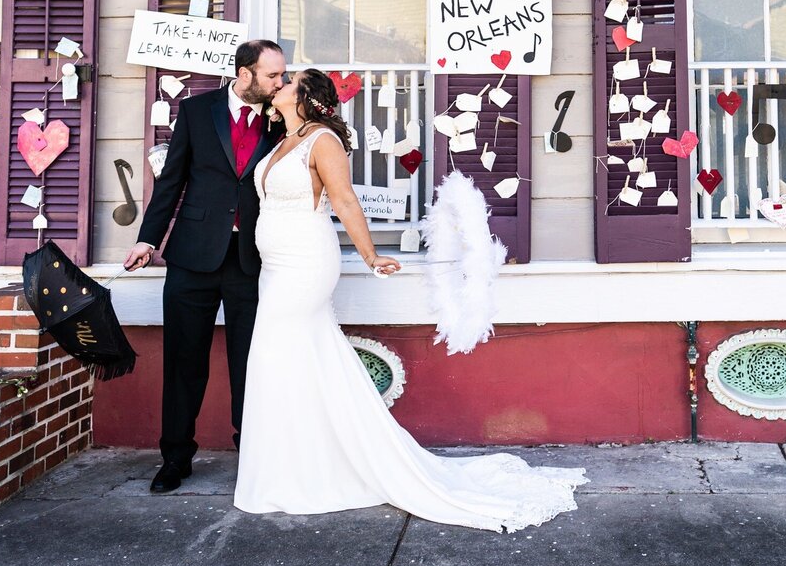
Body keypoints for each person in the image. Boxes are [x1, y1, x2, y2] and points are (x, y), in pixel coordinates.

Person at [234, 68, 587, 531]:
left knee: (275, 354)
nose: (277, 84)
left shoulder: (322, 141)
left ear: (305, 96)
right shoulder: (281, 138)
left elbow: (344, 200)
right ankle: (301, 465)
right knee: (297, 360)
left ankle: (307, 470)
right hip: (275, 267)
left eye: (288, 81)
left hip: (305, 265)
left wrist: (371, 254)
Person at [125, 39, 287, 494]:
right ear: (245, 73)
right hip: (191, 258)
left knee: (249, 363)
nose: (281, 83)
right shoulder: (197, 112)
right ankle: (175, 458)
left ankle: (250, 457)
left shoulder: (281, 120)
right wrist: (147, 239)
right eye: (273, 75)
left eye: (282, 75)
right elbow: (171, 180)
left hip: (251, 261)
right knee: (183, 362)